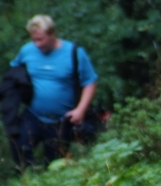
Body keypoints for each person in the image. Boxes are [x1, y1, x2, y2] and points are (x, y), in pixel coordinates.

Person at [9, 14, 98, 169]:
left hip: (61, 120)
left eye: (40, 39)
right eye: (33, 39)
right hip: (33, 114)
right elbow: (14, 72)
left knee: (54, 165)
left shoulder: (75, 53)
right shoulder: (27, 51)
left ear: (52, 34)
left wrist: (81, 110)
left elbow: (90, 82)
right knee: (18, 144)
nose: (37, 44)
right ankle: (25, 182)